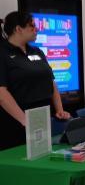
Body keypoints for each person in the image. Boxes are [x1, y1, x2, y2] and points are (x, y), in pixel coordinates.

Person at [0, 11, 71, 150]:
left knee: (42, 156)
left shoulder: (37, 52)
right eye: (31, 26)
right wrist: (24, 120)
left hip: (41, 119)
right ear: (18, 29)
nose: (36, 29)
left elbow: (51, 82)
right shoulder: (3, 53)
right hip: (15, 123)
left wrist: (59, 109)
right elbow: (1, 93)